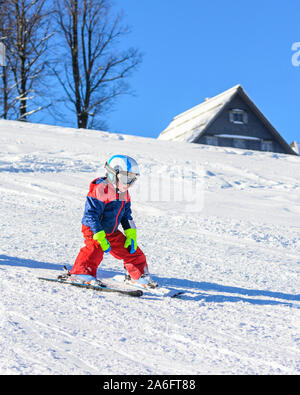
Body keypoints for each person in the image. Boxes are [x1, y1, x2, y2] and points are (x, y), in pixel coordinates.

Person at [69, 155, 157, 290]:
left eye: (132, 180)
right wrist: (98, 235)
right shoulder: (100, 189)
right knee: (95, 248)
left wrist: (131, 234)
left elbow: (126, 216)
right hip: (93, 228)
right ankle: (82, 273)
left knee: (133, 252)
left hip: (110, 231)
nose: (128, 184)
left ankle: (137, 276)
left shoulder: (123, 193)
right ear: (113, 174)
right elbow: (90, 215)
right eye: (126, 178)